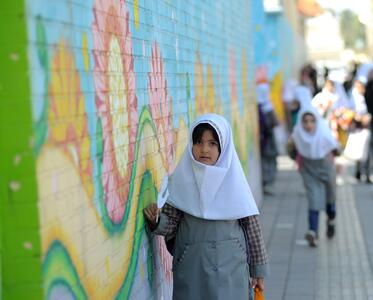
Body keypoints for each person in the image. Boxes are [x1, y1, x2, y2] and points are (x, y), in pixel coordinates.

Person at [143, 113, 269, 300]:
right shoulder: (182, 180)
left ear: (223, 147)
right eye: (199, 142)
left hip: (231, 267)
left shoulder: (235, 183)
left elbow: (252, 229)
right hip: (192, 267)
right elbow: (171, 223)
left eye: (212, 144)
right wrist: (156, 221)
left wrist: (258, 270)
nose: (204, 149)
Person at [288, 107, 339, 247]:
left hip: (326, 167)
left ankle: (331, 220)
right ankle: (313, 232)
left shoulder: (324, 133)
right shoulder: (297, 133)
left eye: (312, 121)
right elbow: (291, 149)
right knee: (313, 199)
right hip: (308, 169)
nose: (308, 125)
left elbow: (336, 149)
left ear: (317, 122)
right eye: (305, 121)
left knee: (330, 198)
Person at [256, 82, 279, 195]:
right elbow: (275, 122)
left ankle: (266, 183)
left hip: (263, 139)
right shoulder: (267, 107)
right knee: (269, 160)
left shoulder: (257, 107)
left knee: (266, 160)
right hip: (268, 139)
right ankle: (268, 183)